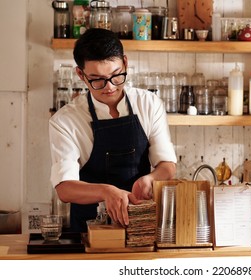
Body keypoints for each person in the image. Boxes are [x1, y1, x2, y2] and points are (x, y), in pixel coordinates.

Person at [49, 28, 177, 233]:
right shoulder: (66, 120)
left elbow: (167, 165)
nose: (109, 86)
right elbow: (65, 188)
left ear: (125, 63)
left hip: (140, 225)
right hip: (88, 231)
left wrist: (151, 179)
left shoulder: (149, 103)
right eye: (97, 79)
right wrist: (106, 191)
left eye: (116, 76)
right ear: (81, 74)